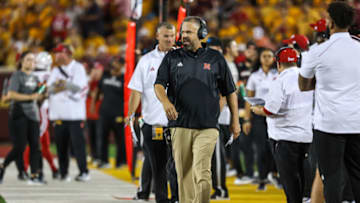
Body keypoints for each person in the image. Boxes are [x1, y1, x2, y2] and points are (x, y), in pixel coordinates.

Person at [154, 16, 240, 203]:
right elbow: (159, 85)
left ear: (201, 34)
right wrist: (166, 103)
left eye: (189, 32)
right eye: (183, 32)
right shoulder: (172, 57)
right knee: (184, 175)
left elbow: (230, 91)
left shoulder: (216, 58)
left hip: (207, 126)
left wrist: (235, 120)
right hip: (180, 125)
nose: (184, 36)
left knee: (202, 172)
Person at [298, 2, 360, 202]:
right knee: (357, 176)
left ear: (330, 23)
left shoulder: (317, 51)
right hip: (357, 122)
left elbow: (303, 86)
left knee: (331, 177)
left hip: (329, 125)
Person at [251, 47, 314, 203]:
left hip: (285, 138)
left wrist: (256, 109)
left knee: (291, 183)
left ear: (278, 64)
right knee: (303, 179)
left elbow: (270, 110)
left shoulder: (280, 80)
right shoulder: (307, 78)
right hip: (306, 136)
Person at [125, 22, 176, 203]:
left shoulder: (183, 58)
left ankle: (177, 198)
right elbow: (136, 90)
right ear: (157, 36)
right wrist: (131, 114)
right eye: (165, 36)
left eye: (172, 36)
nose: (169, 39)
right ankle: (162, 199)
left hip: (178, 124)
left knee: (176, 166)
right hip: (154, 123)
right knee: (158, 167)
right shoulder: (146, 61)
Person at [47, 44, 90, 182]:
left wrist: (62, 84)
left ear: (68, 54)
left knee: (78, 145)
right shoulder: (55, 69)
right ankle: (63, 172)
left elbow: (79, 89)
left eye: (60, 53)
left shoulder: (78, 68)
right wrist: (65, 85)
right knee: (60, 145)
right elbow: (49, 89)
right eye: (56, 53)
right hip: (58, 113)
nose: (57, 56)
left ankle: (84, 171)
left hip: (74, 114)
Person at [0, 51, 44, 184]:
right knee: (20, 146)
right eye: (28, 60)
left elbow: (38, 96)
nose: (31, 62)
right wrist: (31, 97)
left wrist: (42, 94)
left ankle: (34, 175)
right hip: (19, 113)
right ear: (21, 62)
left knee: (35, 146)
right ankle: (3, 165)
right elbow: (12, 94)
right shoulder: (16, 75)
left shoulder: (36, 78)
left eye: (33, 60)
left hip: (34, 114)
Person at [243, 48, 281, 191]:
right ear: (260, 58)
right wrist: (247, 119)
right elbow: (248, 100)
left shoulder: (277, 75)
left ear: (273, 59)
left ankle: (274, 174)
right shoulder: (254, 76)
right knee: (261, 148)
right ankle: (262, 178)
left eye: (269, 56)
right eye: (264, 56)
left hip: (273, 115)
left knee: (274, 147)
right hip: (259, 116)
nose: (266, 58)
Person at [23, 52, 59, 180]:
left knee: (43, 143)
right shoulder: (49, 75)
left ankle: (53, 169)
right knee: (36, 141)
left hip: (30, 110)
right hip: (41, 111)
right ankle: (27, 168)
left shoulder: (30, 74)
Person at [91, 57, 126, 169]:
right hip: (104, 111)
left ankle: (120, 161)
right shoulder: (105, 75)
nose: (114, 64)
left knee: (120, 139)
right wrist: (93, 104)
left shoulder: (124, 78)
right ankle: (103, 160)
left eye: (117, 62)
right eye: (114, 62)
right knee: (102, 137)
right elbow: (97, 90)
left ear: (121, 65)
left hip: (118, 113)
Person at [206, 36, 230, 200]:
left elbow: (224, 94)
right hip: (204, 116)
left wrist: (214, 115)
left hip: (216, 118)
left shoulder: (221, 65)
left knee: (217, 155)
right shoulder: (206, 64)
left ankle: (221, 189)